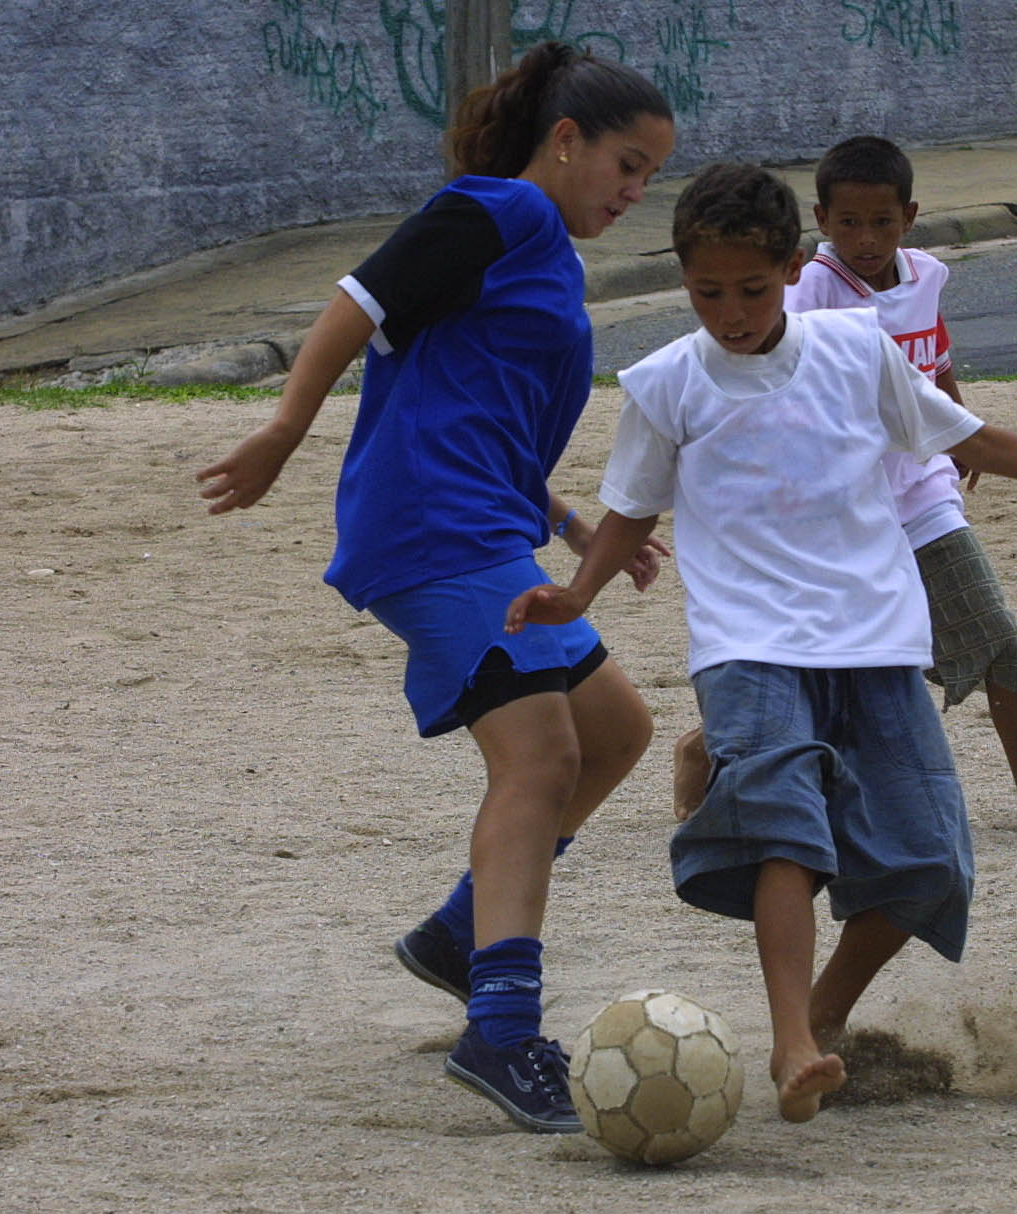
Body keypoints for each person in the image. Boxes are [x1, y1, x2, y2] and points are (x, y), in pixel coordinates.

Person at [504, 163, 1017, 1121]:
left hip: (874, 638)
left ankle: (823, 1018)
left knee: (928, 862)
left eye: (750, 288)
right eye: (707, 293)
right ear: (682, 279)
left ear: (792, 267)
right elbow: (628, 509)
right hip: (747, 643)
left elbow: (971, 441)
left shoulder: (854, 351)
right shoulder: (666, 384)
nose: (731, 312)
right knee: (784, 821)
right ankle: (789, 1042)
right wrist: (578, 594)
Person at [196, 42, 675, 1135]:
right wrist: (283, 427)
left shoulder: (549, 252)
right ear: (566, 141)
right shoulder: (499, 209)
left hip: (485, 523)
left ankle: (460, 934)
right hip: (427, 525)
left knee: (615, 731)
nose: (635, 192)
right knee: (541, 754)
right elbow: (358, 300)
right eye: (626, 164)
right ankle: (500, 1029)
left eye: (649, 174)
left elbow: (483, 412)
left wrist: (569, 522)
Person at [673, 134, 1017, 839]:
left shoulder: (927, 274)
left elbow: (934, 354)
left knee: (995, 632)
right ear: (819, 221)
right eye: (848, 223)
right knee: (816, 658)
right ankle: (701, 745)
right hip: (840, 506)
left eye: (881, 222)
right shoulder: (807, 289)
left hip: (923, 494)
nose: (865, 239)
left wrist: (958, 429)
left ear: (910, 215)